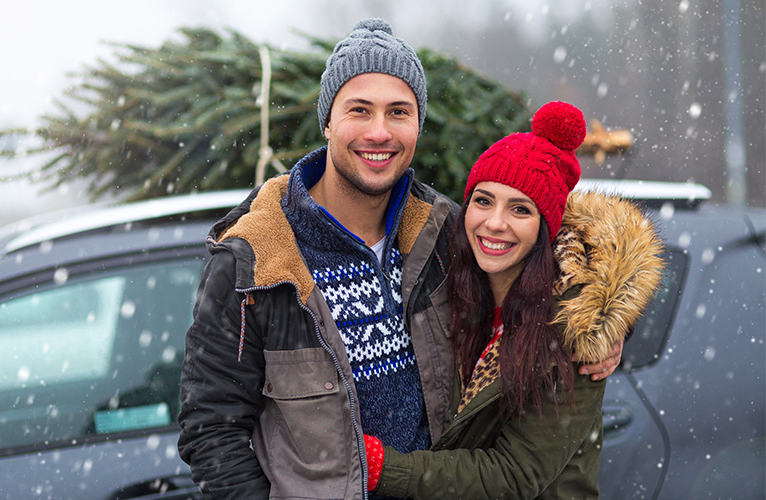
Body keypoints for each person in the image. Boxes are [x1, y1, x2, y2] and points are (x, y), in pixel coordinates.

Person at [178, 19, 620, 500]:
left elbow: (553, 279)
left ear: (417, 126)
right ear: (327, 120)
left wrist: (608, 332)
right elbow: (211, 431)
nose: (379, 132)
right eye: (359, 110)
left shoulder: (445, 232)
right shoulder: (254, 263)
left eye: (399, 112)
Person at [364, 101, 666, 499]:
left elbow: (513, 476)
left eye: (520, 209)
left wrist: (383, 468)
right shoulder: (451, 289)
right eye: (483, 200)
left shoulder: (573, 330)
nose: (494, 223)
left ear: (546, 227)